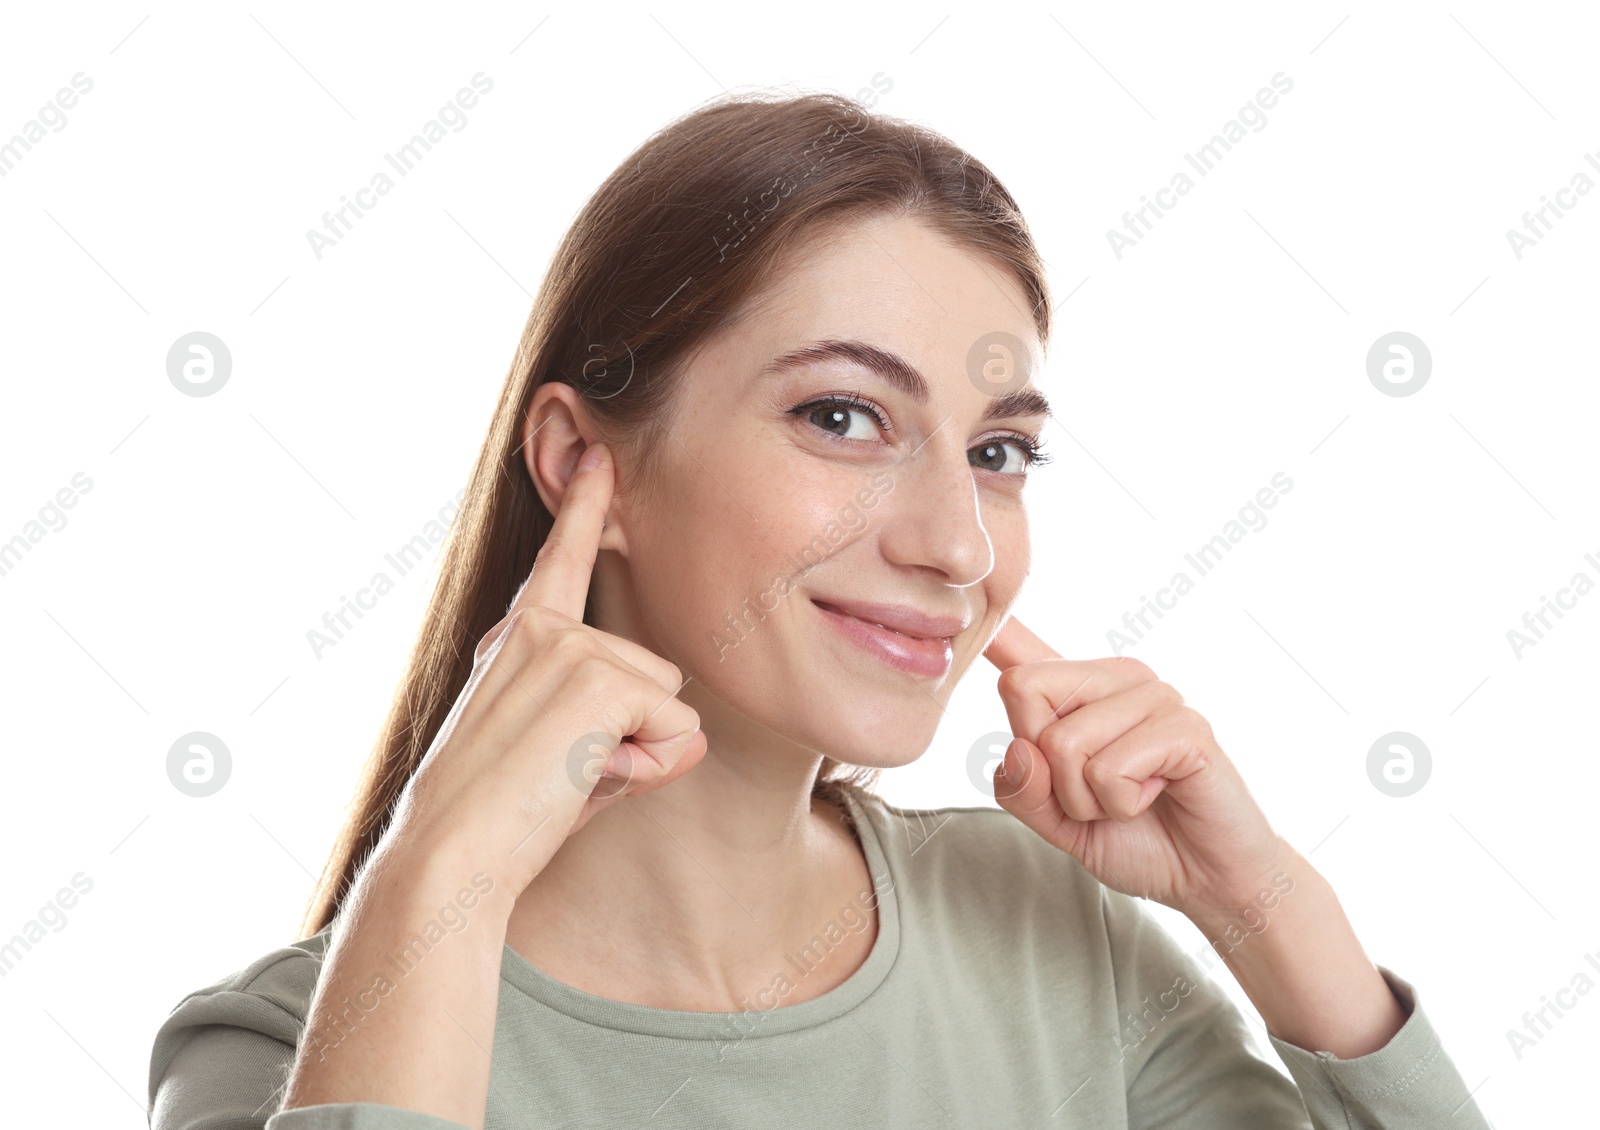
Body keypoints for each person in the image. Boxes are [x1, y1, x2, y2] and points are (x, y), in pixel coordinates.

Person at [147, 90, 1490, 1129]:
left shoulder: (1046, 927)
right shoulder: (277, 1048)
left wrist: (1264, 901)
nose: (961, 543)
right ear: (582, 468)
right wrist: (436, 874)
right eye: (844, 417)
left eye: (998, 452)